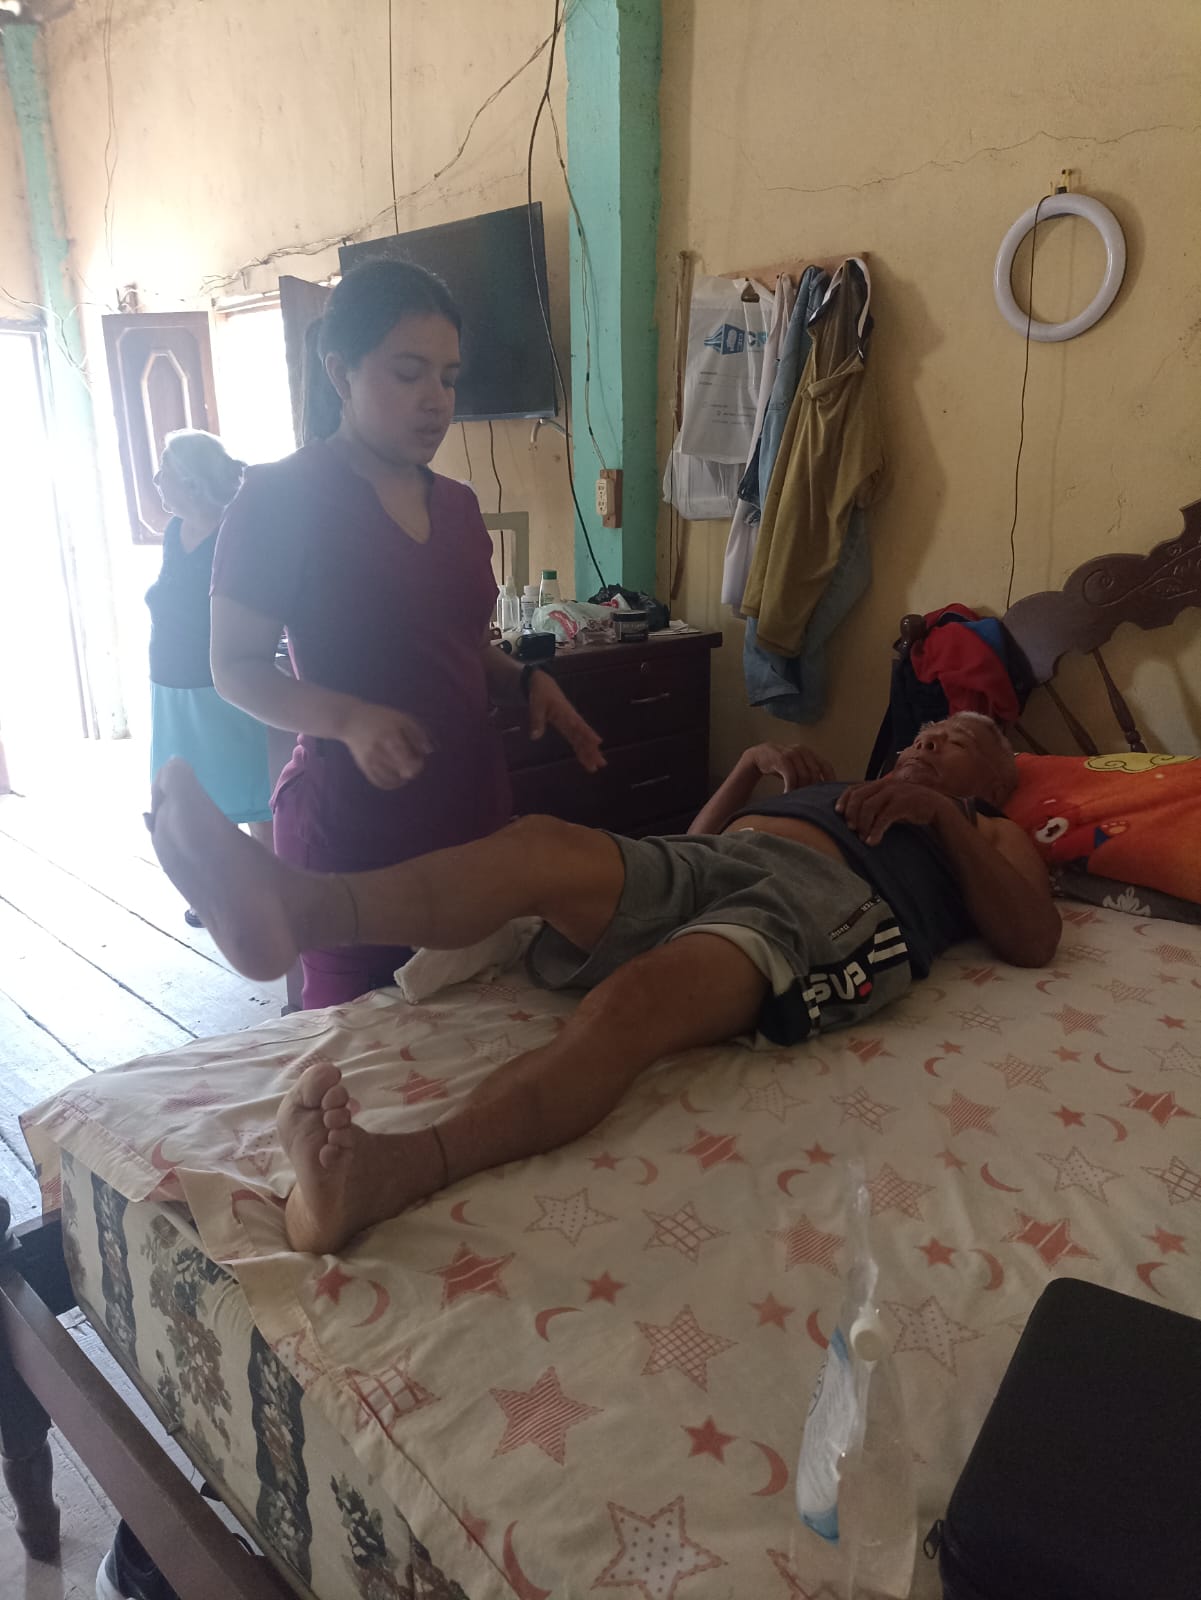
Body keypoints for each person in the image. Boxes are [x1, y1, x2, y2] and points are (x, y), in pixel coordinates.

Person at [148, 711, 1060, 1256]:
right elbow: (693, 848)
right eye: (925, 733)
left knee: (631, 1002)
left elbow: (1033, 938)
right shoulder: (847, 787)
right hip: (717, 861)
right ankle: (298, 908)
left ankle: (392, 1173)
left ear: (994, 780)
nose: (927, 741)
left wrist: (944, 815)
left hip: (820, 906)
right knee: (538, 846)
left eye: (957, 741)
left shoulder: (982, 830)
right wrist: (747, 770)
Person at [209, 259, 601, 1007]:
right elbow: (235, 666)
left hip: (469, 812)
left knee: (474, 1020)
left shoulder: (458, 505)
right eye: (407, 373)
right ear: (340, 372)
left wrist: (525, 681)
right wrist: (350, 719)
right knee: (356, 1041)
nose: (435, 400)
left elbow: (455, 644)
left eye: (448, 378)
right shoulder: (278, 498)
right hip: (352, 828)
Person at [146, 429, 273, 926]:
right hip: (171, 688)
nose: (156, 480)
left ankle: (269, 891)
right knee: (194, 798)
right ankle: (217, 892)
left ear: (191, 481)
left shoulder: (233, 534)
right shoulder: (174, 532)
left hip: (222, 687)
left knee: (251, 794)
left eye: (165, 470)